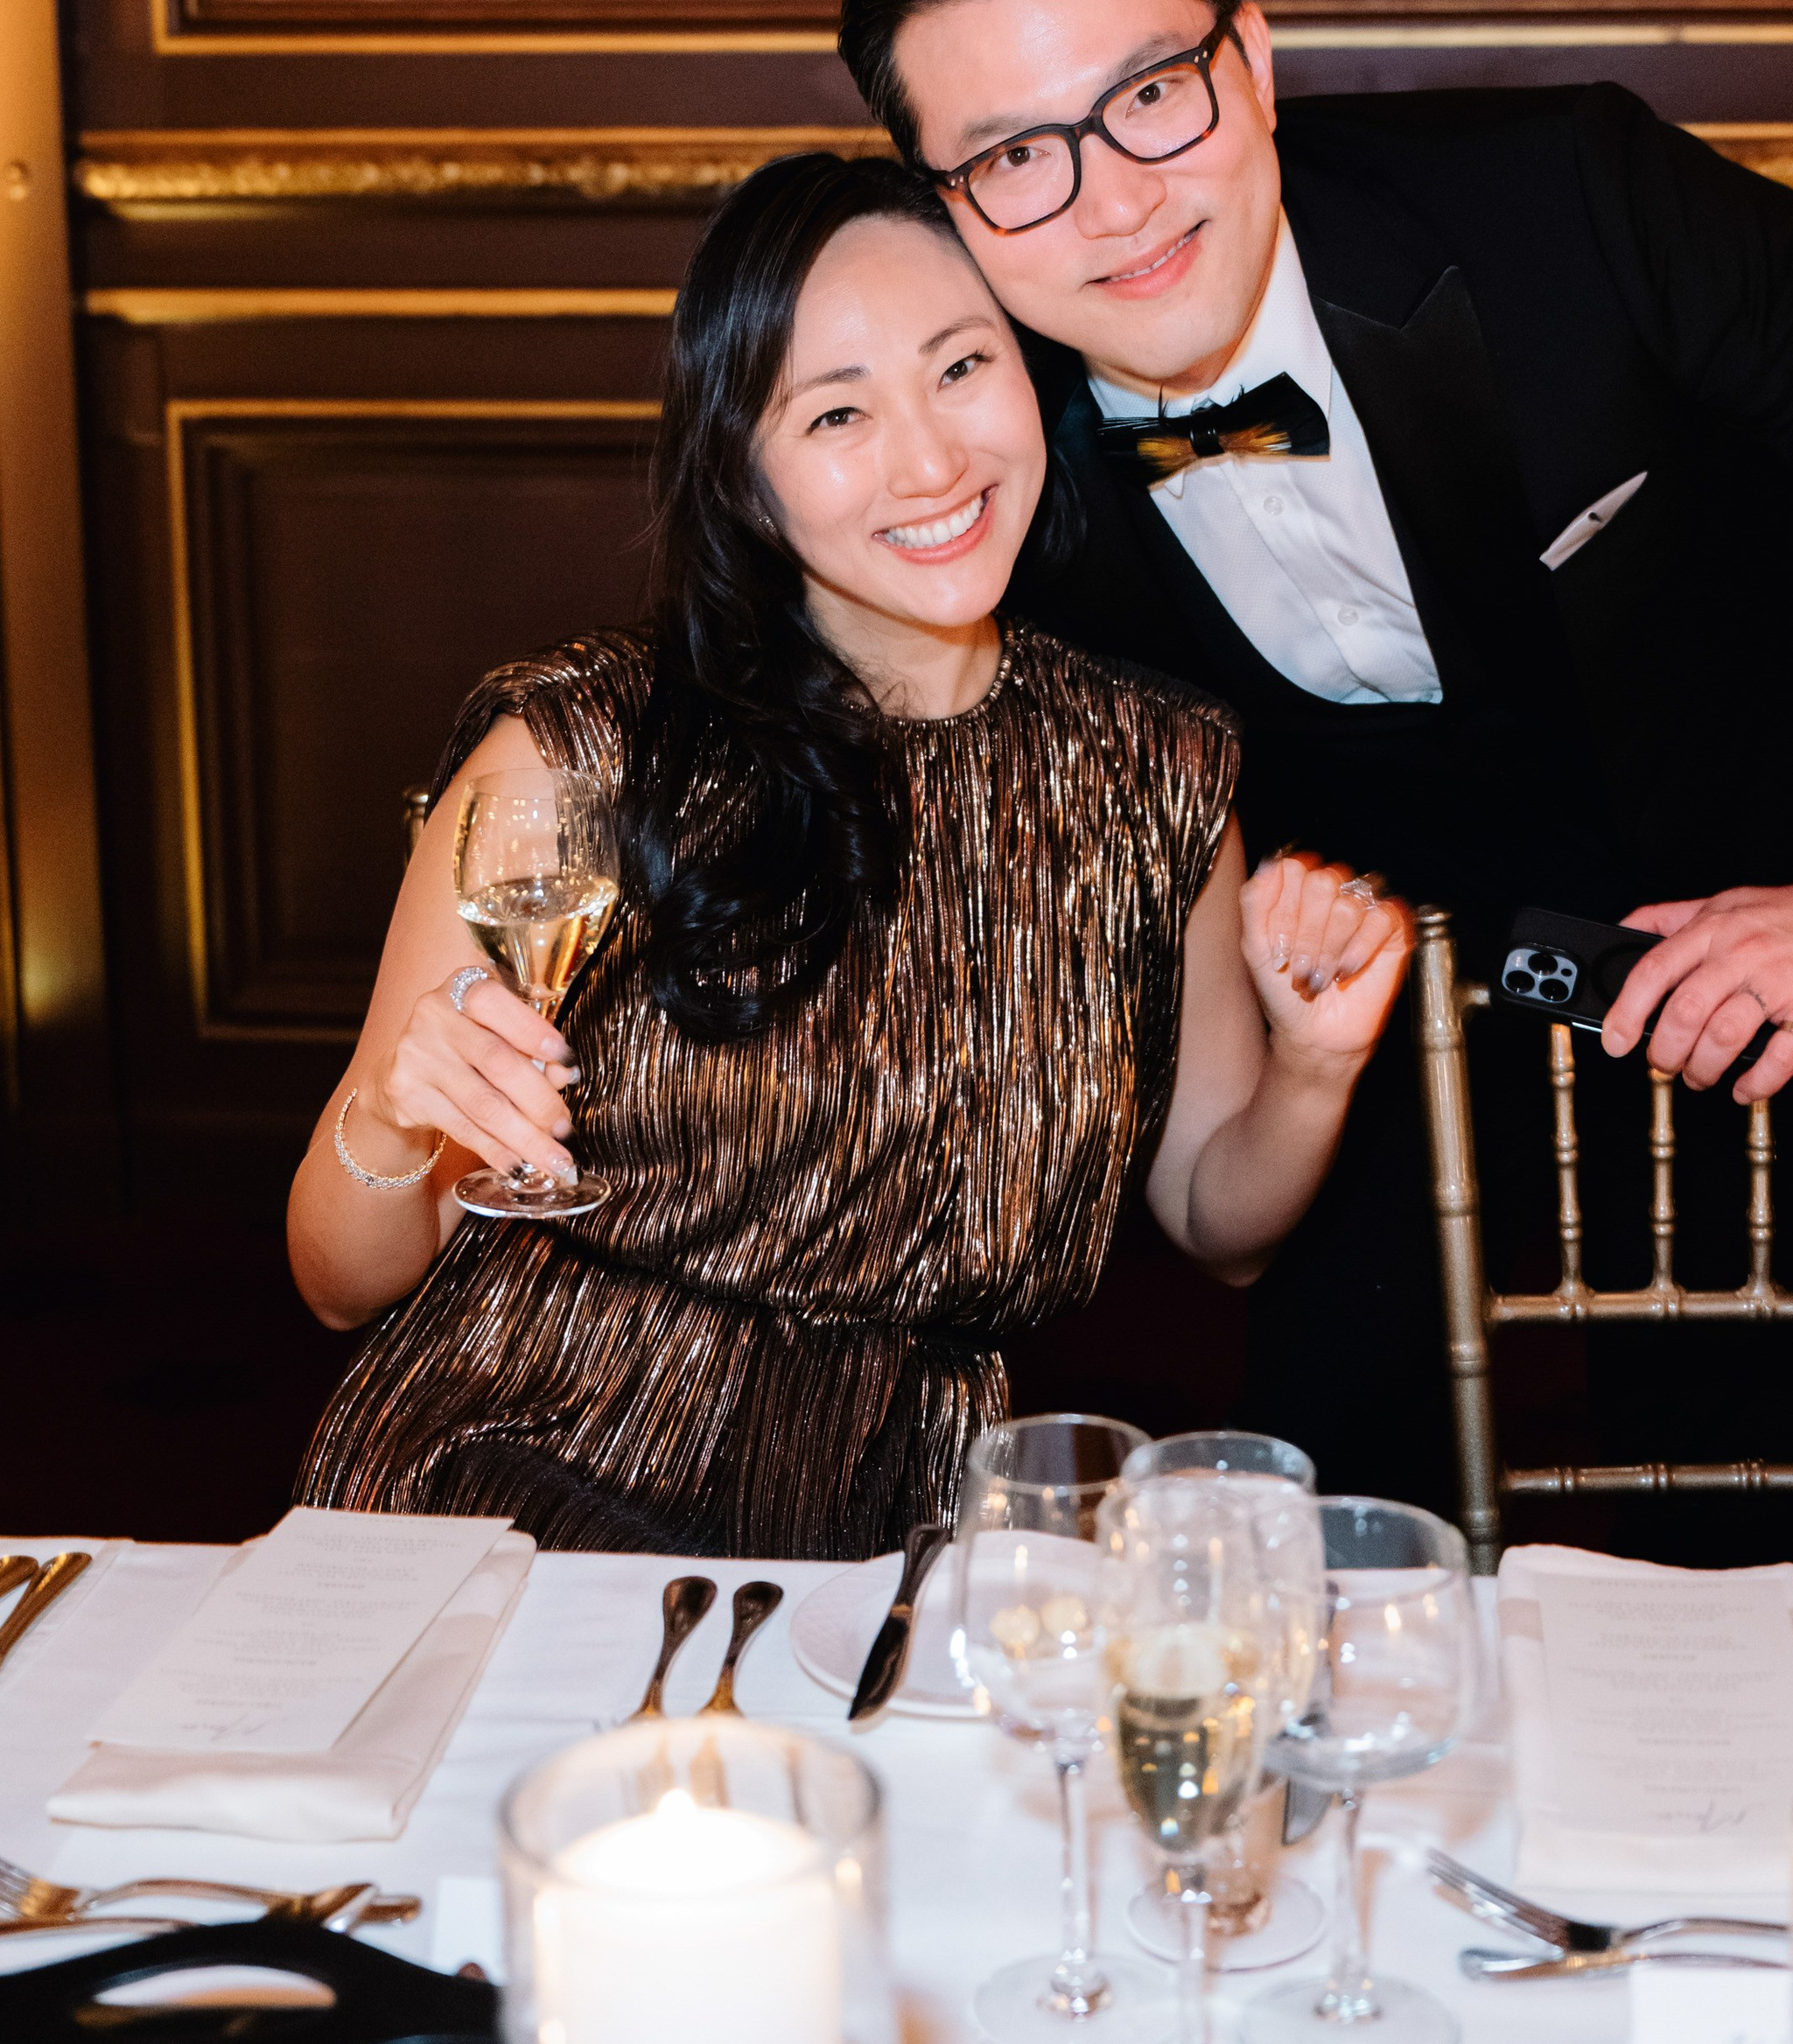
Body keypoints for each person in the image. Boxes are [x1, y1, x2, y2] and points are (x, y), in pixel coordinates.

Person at [834, 0, 1793, 1512]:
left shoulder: (1567, 202)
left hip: (1730, 919)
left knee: (1736, 1524)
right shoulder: (974, 420)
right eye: (1015, 155)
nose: (1115, 201)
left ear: (1253, 60)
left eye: (1153, 93)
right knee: (1315, 1507)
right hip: (1376, 977)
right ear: (947, 206)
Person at [290, 156, 1408, 1556]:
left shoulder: (1159, 769)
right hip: (524, 1490)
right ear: (748, 483)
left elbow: (1217, 1218)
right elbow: (338, 1284)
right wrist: (400, 1121)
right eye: (836, 411)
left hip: (899, 1537)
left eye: (960, 369)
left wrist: (1314, 1068)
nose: (931, 460)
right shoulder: (582, 752)